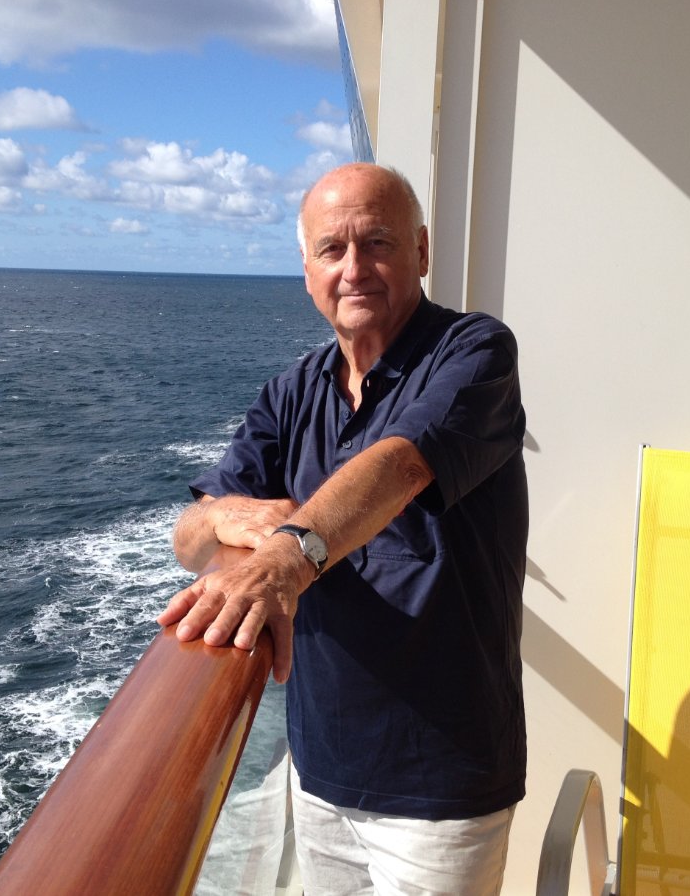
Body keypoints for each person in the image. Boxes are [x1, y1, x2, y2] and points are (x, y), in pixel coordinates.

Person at [157, 162, 528, 895]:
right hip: (320, 769)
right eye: (332, 249)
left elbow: (402, 464)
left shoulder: (474, 352)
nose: (354, 268)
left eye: (377, 243)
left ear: (421, 251)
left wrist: (286, 556)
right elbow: (189, 540)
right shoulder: (292, 392)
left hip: (442, 785)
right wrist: (219, 513)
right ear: (307, 272)